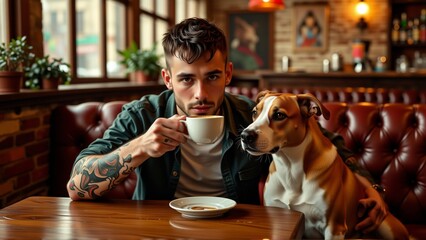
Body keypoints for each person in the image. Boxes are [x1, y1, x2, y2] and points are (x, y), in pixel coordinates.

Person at [67, 17, 386, 234]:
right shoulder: (141, 115)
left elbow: (332, 145)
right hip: (159, 230)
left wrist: (372, 191)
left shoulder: (253, 115)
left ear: (229, 74)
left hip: (238, 229)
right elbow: (76, 186)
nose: (201, 94)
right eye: (186, 80)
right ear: (168, 79)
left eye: (213, 77)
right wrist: (139, 148)